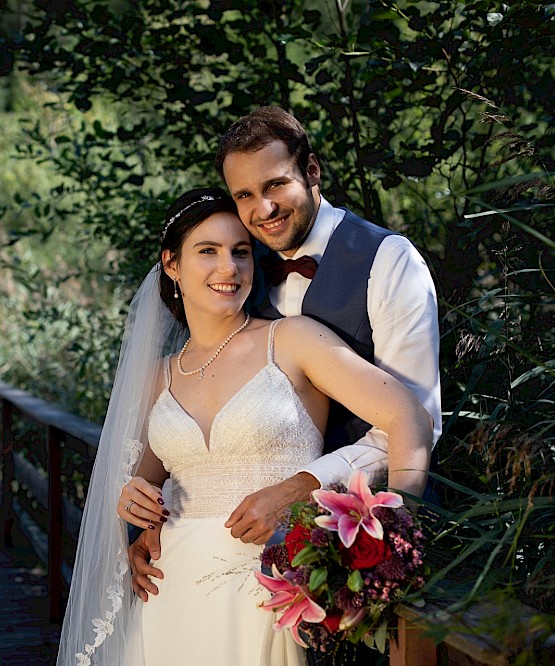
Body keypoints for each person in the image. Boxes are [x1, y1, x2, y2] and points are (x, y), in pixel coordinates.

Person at [57, 187, 433, 665]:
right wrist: (132, 505)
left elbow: (408, 416)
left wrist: (398, 535)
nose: (228, 269)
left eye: (240, 252)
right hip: (170, 590)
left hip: (270, 584)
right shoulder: (158, 376)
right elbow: (144, 480)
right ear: (171, 264)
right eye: (207, 251)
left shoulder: (293, 340)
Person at [128, 107, 442, 606]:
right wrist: (149, 516)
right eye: (245, 195)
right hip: (221, 567)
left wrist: (389, 542)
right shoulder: (241, 271)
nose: (263, 209)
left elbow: (416, 419)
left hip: (362, 540)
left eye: (275, 185)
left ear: (312, 171)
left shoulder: (387, 260)